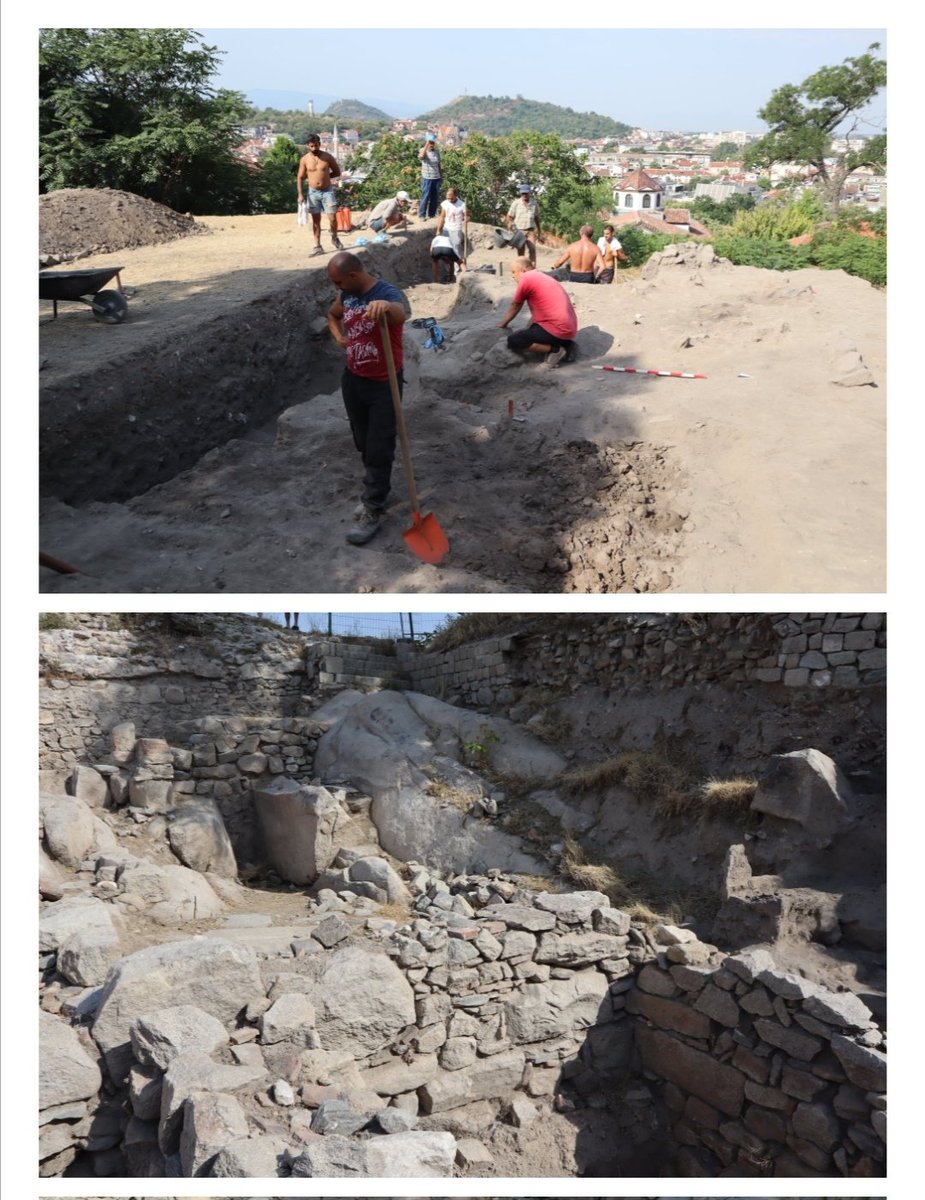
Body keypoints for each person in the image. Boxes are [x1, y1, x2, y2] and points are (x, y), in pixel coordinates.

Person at [326, 252, 409, 544]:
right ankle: (378, 488)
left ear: (353, 276)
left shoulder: (386, 292)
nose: (337, 288)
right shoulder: (346, 295)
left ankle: (372, 507)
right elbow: (333, 314)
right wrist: (337, 336)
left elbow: (401, 313)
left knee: (379, 445)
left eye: (339, 282)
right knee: (363, 441)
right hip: (353, 379)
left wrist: (385, 307)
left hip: (383, 383)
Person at [497, 257, 578, 369]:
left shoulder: (527, 279)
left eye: (513, 272)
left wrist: (503, 323)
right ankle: (566, 344)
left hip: (557, 328)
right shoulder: (542, 276)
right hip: (568, 328)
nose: (512, 275)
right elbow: (538, 313)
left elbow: (516, 305)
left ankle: (556, 350)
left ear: (523, 270)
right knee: (528, 332)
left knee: (514, 341)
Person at [297, 133, 344, 257]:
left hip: (327, 190)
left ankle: (334, 237)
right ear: (308, 146)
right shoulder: (304, 159)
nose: (314, 148)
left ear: (320, 144)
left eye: (316, 145)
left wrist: (326, 178)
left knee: (333, 218)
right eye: (311, 146)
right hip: (313, 192)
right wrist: (300, 194)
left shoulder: (327, 157)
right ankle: (317, 246)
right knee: (316, 220)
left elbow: (337, 172)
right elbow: (300, 178)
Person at [506, 183, 541, 267]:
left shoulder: (534, 204)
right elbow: (509, 216)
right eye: (523, 193)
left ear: (529, 193)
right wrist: (511, 225)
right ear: (521, 193)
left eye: (526, 193)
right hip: (519, 231)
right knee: (521, 252)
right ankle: (521, 268)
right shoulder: (516, 203)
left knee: (532, 249)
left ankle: (532, 268)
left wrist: (539, 231)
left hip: (530, 231)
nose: (524, 195)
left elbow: (537, 218)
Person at [436, 186, 468, 267]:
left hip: (456, 229)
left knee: (456, 249)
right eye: (448, 198)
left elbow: (467, 215)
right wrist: (439, 229)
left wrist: (466, 219)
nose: (449, 200)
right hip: (446, 229)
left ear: (455, 196)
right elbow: (442, 217)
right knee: (446, 249)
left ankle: (457, 270)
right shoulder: (445, 203)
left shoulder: (462, 205)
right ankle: (448, 270)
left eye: (451, 198)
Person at [418, 133, 442, 219]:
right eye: (430, 143)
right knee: (425, 196)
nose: (432, 144)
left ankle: (432, 214)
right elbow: (421, 157)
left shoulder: (436, 152)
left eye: (433, 143)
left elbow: (439, 164)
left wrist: (441, 176)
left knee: (435, 197)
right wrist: (426, 145)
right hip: (427, 178)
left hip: (436, 178)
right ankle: (422, 215)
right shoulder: (422, 150)